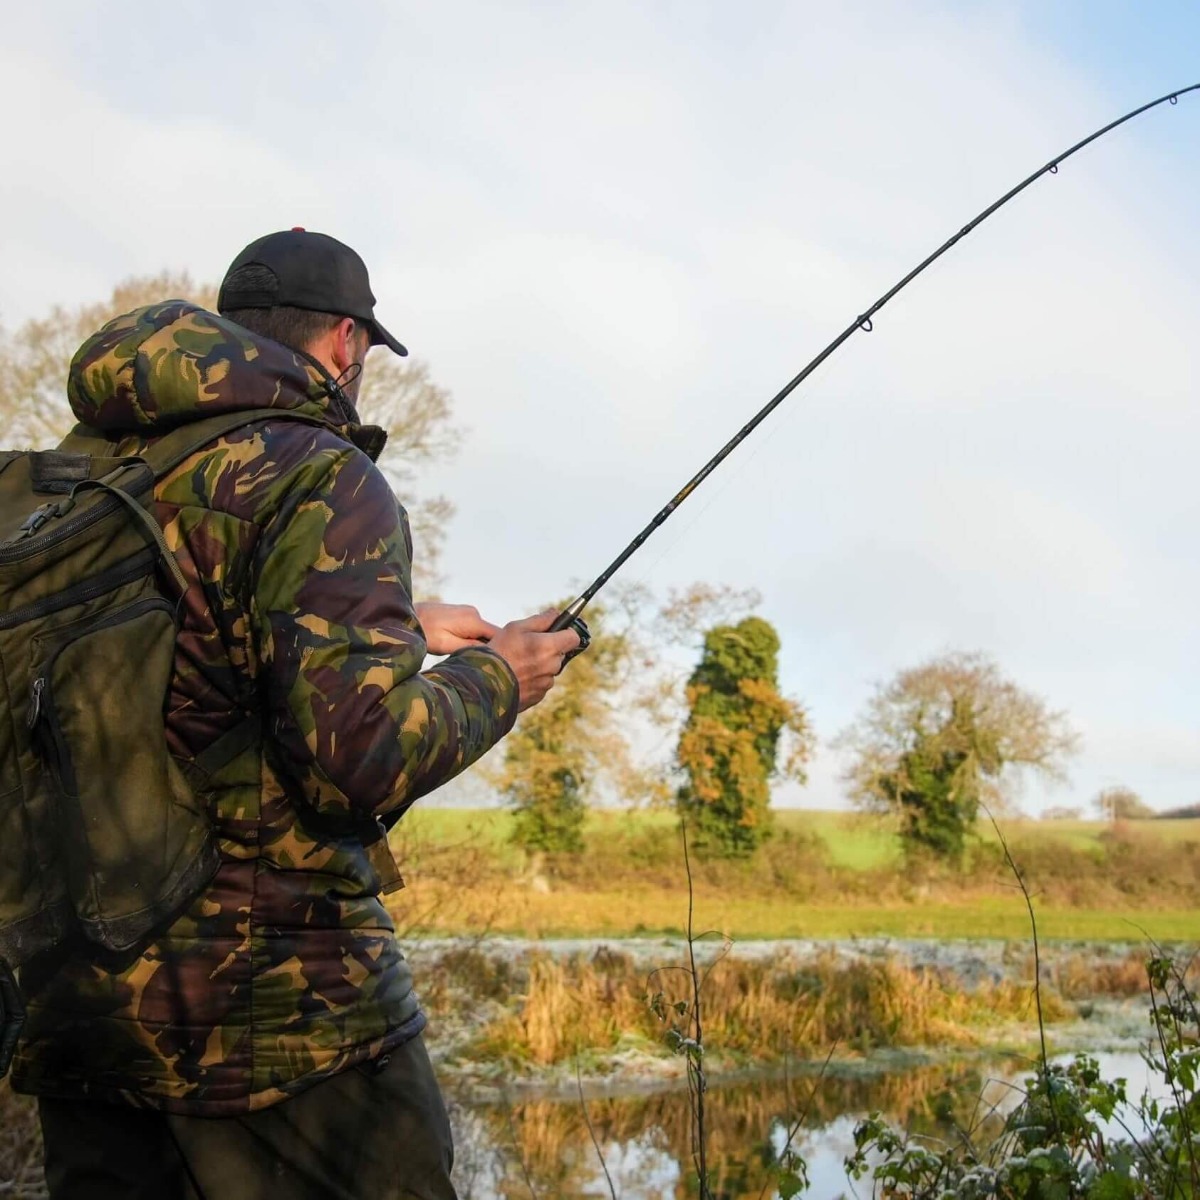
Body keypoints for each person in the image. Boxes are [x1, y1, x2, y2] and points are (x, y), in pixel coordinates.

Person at [10, 229, 580, 1199]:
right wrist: (501, 678)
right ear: (347, 341)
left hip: (82, 1015)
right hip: (278, 1017)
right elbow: (356, 760)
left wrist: (396, 629)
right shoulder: (320, 472)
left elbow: (175, 664)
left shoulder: (89, 468)